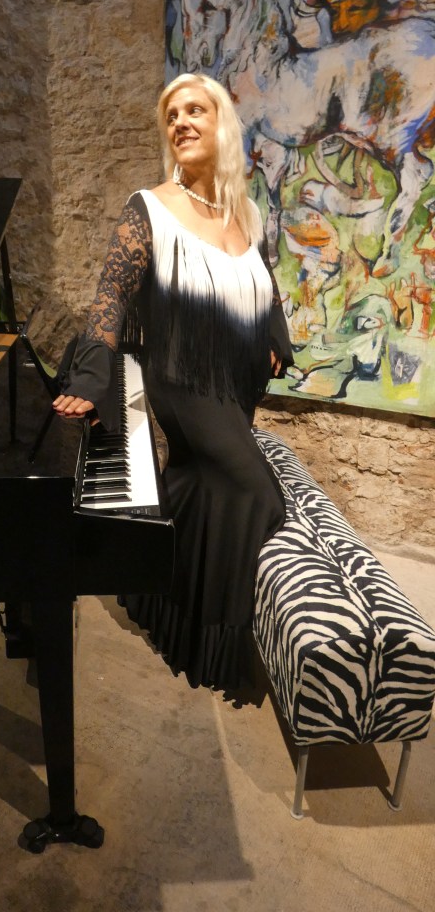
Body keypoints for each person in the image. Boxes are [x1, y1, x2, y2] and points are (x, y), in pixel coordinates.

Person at [52, 72, 292, 691]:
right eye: (171, 115)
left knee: (202, 484)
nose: (181, 122)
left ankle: (154, 590)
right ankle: (216, 643)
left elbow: (265, 285)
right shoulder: (150, 208)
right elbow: (111, 297)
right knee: (258, 496)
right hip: (184, 383)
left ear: (221, 124)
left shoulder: (246, 213)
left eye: (194, 110)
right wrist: (91, 374)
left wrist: (274, 338)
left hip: (234, 383)